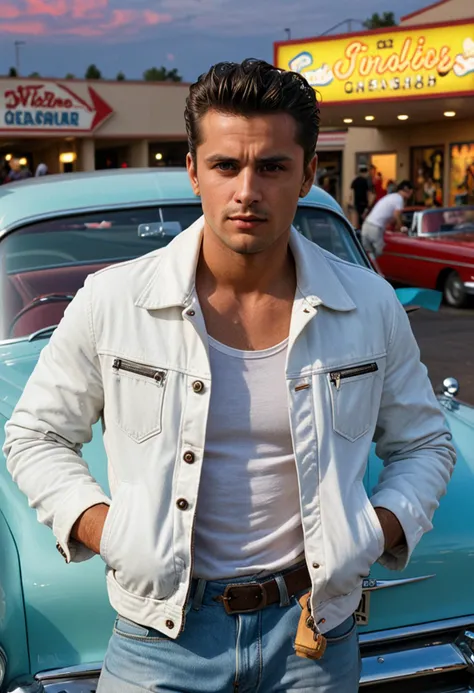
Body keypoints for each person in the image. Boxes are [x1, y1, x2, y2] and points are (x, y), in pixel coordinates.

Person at [4, 59, 455, 693]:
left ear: (306, 176)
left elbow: (425, 443)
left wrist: (368, 533)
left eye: (271, 166)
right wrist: (112, 532)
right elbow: (35, 435)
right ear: (194, 170)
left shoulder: (368, 305)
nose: (247, 190)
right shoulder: (113, 301)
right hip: (159, 633)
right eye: (225, 166)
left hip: (313, 633)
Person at [361, 180, 413, 264]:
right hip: (375, 228)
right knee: (380, 253)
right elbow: (397, 215)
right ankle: (379, 275)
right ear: (408, 190)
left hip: (367, 224)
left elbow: (390, 217)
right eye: (411, 192)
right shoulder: (399, 199)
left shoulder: (391, 196)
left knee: (367, 254)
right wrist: (401, 228)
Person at [350, 165, 373, 229]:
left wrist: (351, 201)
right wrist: (369, 203)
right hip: (364, 203)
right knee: (364, 218)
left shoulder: (355, 180)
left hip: (357, 202)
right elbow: (368, 193)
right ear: (365, 172)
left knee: (357, 219)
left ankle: (358, 230)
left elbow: (351, 192)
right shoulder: (366, 181)